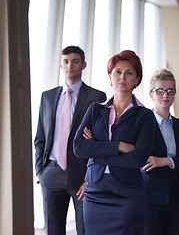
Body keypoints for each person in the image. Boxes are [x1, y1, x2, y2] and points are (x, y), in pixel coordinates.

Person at [73, 50, 155, 234]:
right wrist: (118, 146)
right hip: (95, 191)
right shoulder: (95, 109)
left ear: (137, 79)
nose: (122, 77)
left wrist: (95, 150)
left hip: (128, 192)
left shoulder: (145, 116)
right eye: (117, 72)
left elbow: (138, 159)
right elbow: (78, 147)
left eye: (129, 72)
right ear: (110, 76)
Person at [34, 45, 106, 235]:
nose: (70, 66)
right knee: (54, 231)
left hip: (82, 177)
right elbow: (40, 136)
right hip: (51, 173)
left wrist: (91, 177)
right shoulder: (47, 97)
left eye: (75, 61)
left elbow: (101, 141)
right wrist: (40, 170)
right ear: (60, 64)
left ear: (84, 65)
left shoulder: (96, 97)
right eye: (66, 61)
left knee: (86, 230)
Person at [141, 69, 179, 235]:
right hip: (151, 196)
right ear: (151, 94)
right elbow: (143, 162)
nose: (165, 95)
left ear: (175, 94)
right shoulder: (142, 125)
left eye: (170, 91)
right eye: (159, 91)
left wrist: (164, 161)